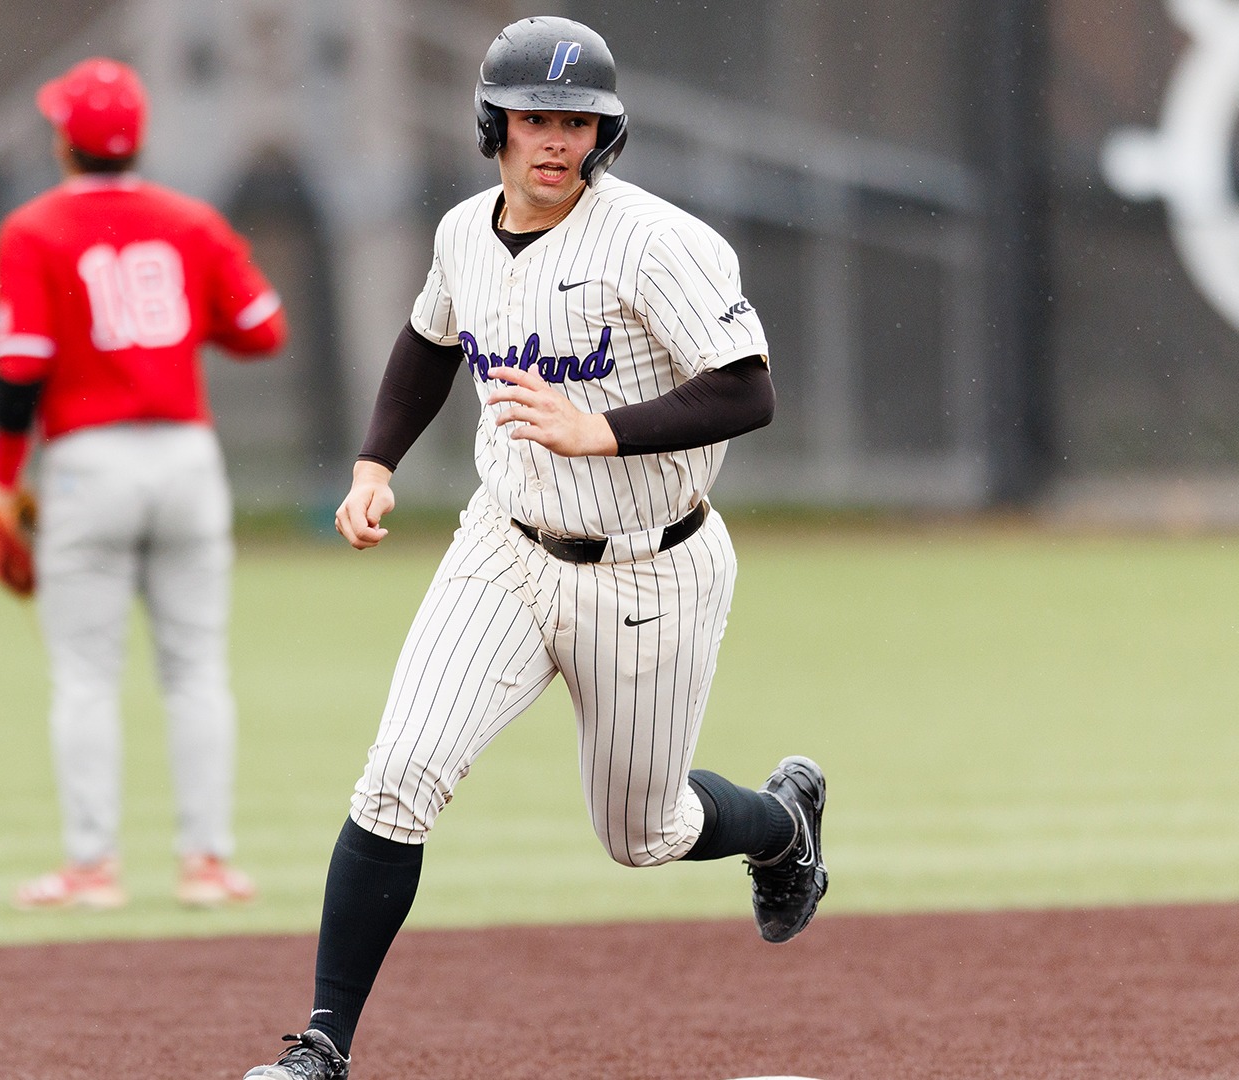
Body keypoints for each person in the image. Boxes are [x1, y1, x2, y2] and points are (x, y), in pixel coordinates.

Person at [244, 17, 826, 1080]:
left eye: (576, 122)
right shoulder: (466, 233)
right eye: (533, 119)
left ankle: (782, 826)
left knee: (643, 833)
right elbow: (429, 340)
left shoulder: (659, 241)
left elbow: (750, 389)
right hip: (504, 548)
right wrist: (374, 464)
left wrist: (599, 428)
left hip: (653, 567)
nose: (554, 141)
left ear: (605, 134)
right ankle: (321, 1046)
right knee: (398, 776)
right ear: (494, 126)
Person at [0, 57, 287, 911]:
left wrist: (1, 481)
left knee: (84, 676)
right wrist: (189, 315)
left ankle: (92, 868)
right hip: (186, 457)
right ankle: (209, 865)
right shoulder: (190, 221)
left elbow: (20, 364)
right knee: (195, 671)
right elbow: (264, 329)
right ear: (137, 137)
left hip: (89, 464)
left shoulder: (33, 229)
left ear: (65, 143)